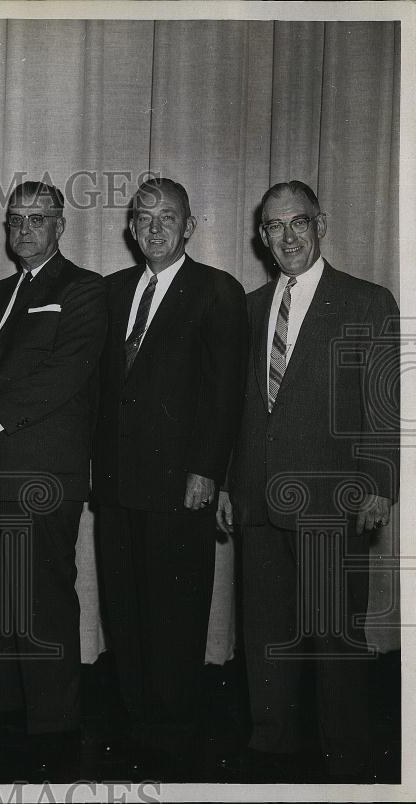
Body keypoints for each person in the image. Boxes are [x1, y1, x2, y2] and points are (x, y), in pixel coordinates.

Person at [218, 180, 399, 782]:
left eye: (298, 222)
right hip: (257, 496)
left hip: (333, 498)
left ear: (321, 224)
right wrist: (227, 483)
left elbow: (382, 400)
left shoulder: (366, 301)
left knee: (332, 637)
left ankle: (347, 759)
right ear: (261, 236)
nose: (287, 236)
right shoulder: (249, 306)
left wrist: (379, 482)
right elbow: (239, 409)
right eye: (274, 226)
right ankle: (271, 746)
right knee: (264, 631)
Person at [89, 177, 248, 775]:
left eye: (169, 217)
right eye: (144, 217)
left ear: (190, 228)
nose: (155, 227)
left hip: (181, 484)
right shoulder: (110, 291)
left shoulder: (216, 290)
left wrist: (208, 470)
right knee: (123, 608)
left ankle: (173, 733)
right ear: (131, 227)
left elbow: (225, 393)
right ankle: (134, 722)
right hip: (118, 484)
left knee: (176, 611)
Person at [0, 181, 107, 756]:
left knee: (42, 594)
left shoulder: (84, 289)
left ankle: (54, 724)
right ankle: (0, 707)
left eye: (37, 219)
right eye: (15, 218)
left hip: (43, 473)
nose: (24, 229)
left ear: (60, 226)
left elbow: (67, 372)